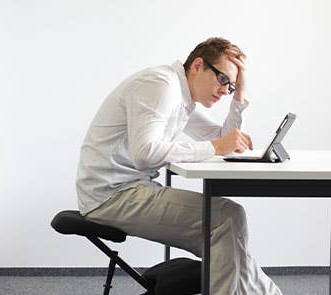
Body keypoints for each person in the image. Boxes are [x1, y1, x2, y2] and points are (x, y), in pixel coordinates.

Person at [76, 37, 283, 295]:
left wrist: (239, 95)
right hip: (111, 196)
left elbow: (223, 137)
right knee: (228, 219)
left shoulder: (182, 97)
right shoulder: (161, 86)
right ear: (198, 65)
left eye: (230, 86)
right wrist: (217, 146)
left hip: (129, 190)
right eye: (223, 80)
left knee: (230, 231)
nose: (224, 90)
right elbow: (145, 153)